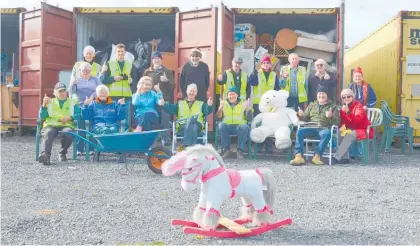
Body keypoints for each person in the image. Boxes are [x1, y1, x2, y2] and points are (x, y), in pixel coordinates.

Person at [290, 86, 340, 166]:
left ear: (327, 95)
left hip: (324, 128)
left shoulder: (333, 106)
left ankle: (317, 156)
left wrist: (331, 116)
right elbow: (305, 118)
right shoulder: (312, 105)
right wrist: (300, 115)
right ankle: (298, 156)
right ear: (317, 95)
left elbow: (337, 122)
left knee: (327, 133)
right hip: (311, 127)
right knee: (299, 132)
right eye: (319, 94)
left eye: (323, 94)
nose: (321, 96)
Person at [38, 83, 80, 165]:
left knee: (68, 133)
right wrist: (44, 105)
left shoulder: (72, 102)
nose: (63, 93)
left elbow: (78, 114)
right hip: (51, 124)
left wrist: (69, 118)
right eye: (60, 91)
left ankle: (62, 152)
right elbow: (42, 116)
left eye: (64, 90)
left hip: (66, 124)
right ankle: (45, 156)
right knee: (48, 132)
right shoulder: (50, 101)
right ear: (55, 93)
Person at [162, 83, 213, 149]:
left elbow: (207, 111)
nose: (192, 93)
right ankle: (193, 148)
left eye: (193, 91)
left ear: (196, 93)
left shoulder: (201, 104)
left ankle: (186, 145)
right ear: (187, 91)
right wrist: (163, 104)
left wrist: (209, 106)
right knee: (193, 126)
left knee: (193, 123)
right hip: (182, 125)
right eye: (190, 91)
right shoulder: (180, 103)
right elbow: (170, 108)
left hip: (198, 125)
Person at [331, 89, 374, 164]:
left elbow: (358, 122)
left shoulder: (359, 106)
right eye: (344, 97)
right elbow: (344, 122)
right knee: (340, 132)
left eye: (348, 96)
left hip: (363, 129)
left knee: (349, 135)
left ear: (353, 97)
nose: (346, 98)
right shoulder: (343, 108)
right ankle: (345, 158)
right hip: (352, 129)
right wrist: (341, 127)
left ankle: (337, 157)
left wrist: (348, 112)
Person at [248, 55, 281, 153]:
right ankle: (258, 145)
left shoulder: (274, 75)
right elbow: (251, 83)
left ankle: (268, 146)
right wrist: (255, 72)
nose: (266, 65)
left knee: (269, 125)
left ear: (270, 64)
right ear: (261, 65)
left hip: (270, 105)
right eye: (264, 63)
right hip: (258, 104)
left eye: (268, 63)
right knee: (258, 125)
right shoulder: (257, 74)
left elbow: (277, 89)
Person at [68, 62, 102, 156]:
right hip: (80, 106)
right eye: (84, 70)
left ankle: (91, 148)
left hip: (93, 105)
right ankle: (80, 149)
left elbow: (100, 89)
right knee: (80, 127)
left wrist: (92, 97)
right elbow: (71, 93)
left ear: (91, 71)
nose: (86, 72)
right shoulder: (77, 80)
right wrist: (72, 84)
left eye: (88, 70)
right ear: (80, 71)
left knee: (92, 126)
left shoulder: (95, 79)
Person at [143, 51, 175, 146]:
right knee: (152, 119)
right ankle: (154, 139)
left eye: (158, 58)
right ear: (152, 60)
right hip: (151, 100)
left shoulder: (167, 71)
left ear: (161, 59)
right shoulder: (147, 71)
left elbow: (173, 87)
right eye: (154, 58)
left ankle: (166, 140)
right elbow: (142, 85)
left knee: (165, 119)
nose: (156, 60)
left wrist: (167, 81)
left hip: (164, 98)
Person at [100, 43, 135, 128]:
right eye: (118, 51)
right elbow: (103, 80)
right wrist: (113, 78)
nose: (120, 53)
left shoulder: (131, 65)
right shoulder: (108, 64)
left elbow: (136, 81)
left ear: (125, 52)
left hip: (126, 97)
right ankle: (114, 137)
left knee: (126, 120)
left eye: (122, 51)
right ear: (115, 53)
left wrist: (131, 81)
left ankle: (125, 139)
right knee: (113, 119)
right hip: (113, 97)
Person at [216, 86, 253, 159]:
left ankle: (240, 150)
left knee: (245, 127)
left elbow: (250, 118)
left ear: (237, 95)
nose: (231, 96)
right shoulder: (224, 103)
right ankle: (226, 149)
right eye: (230, 94)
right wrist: (220, 108)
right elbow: (217, 117)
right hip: (228, 126)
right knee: (221, 125)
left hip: (239, 127)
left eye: (233, 94)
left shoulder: (243, 103)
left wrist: (249, 109)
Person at [348, 66, 377, 158]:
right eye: (356, 76)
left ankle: (360, 152)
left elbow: (374, 99)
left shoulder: (367, 87)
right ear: (353, 77)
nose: (357, 78)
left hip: (363, 113)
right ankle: (352, 153)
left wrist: (366, 106)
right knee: (350, 131)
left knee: (360, 130)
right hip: (352, 113)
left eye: (359, 76)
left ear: (362, 77)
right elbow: (345, 99)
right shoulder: (350, 86)